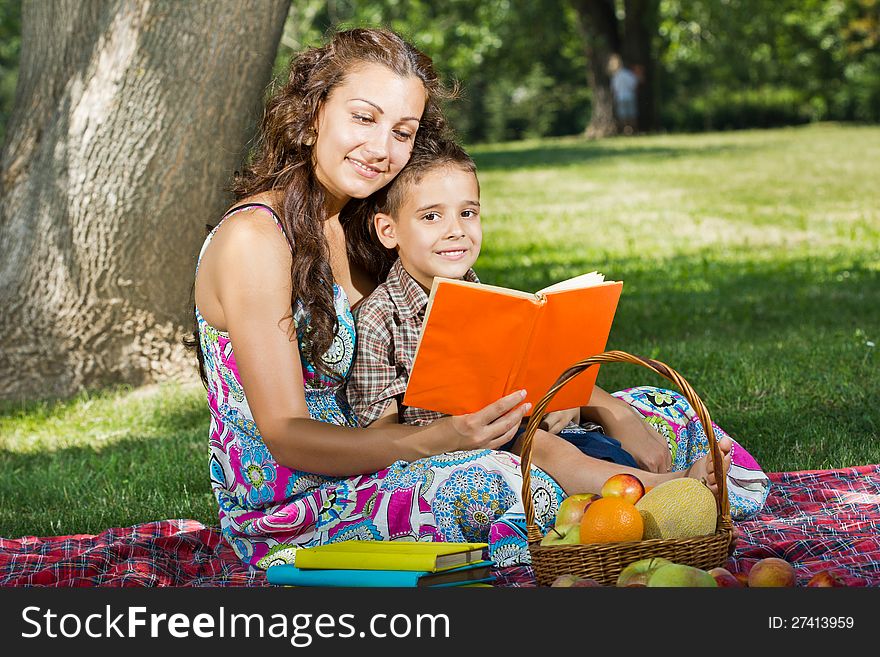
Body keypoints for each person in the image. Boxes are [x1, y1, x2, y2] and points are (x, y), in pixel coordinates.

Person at [192, 27, 590, 570]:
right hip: (296, 508)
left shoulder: (366, 222)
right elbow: (286, 436)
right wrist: (442, 440)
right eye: (364, 117)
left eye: (402, 132)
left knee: (660, 411)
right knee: (496, 482)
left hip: (393, 452)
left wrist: (573, 398)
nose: (382, 149)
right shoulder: (256, 239)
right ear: (312, 116)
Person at [345, 138, 770, 518]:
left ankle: (654, 496)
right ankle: (673, 490)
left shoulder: (485, 297)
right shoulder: (382, 318)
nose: (456, 230)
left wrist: (559, 398)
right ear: (389, 230)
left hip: (527, 430)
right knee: (548, 450)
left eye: (468, 212)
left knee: (588, 441)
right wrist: (455, 434)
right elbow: (380, 434)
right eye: (432, 216)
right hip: (454, 451)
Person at [608, 54, 639, 135]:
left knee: (623, 116)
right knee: (632, 115)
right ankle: (633, 131)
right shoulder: (628, 73)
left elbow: (613, 89)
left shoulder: (615, 76)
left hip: (620, 97)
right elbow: (634, 83)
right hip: (630, 96)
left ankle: (626, 131)